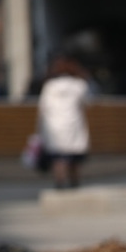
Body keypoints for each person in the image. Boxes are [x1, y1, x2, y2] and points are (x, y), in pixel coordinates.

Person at [37, 56, 90, 189]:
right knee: (74, 158)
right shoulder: (79, 85)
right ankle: (75, 183)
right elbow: (87, 103)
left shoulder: (50, 86)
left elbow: (43, 107)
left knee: (58, 159)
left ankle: (59, 183)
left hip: (54, 126)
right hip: (74, 125)